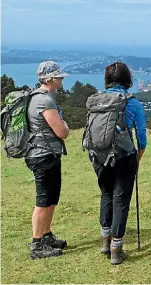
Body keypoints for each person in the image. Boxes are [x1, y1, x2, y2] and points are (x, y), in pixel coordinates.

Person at [88, 61, 147, 265]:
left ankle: (105, 241)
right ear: (127, 79)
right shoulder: (132, 103)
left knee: (106, 194)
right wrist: (137, 157)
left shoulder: (97, 100)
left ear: (107, 80)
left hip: (98, 155)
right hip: (124, 156)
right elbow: (141, 137)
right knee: (121, 200)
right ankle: (116, 249)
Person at [25, 61, 70, 259]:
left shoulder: (38, 97)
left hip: (46, 154)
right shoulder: (44, 101)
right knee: (43, 200)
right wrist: (65, 125)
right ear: (50, 79)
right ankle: (37, 245)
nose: (61, 81)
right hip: (43, 155)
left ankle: (46, 235)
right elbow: (61, 131)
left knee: (51, 198)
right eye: (59, 77)